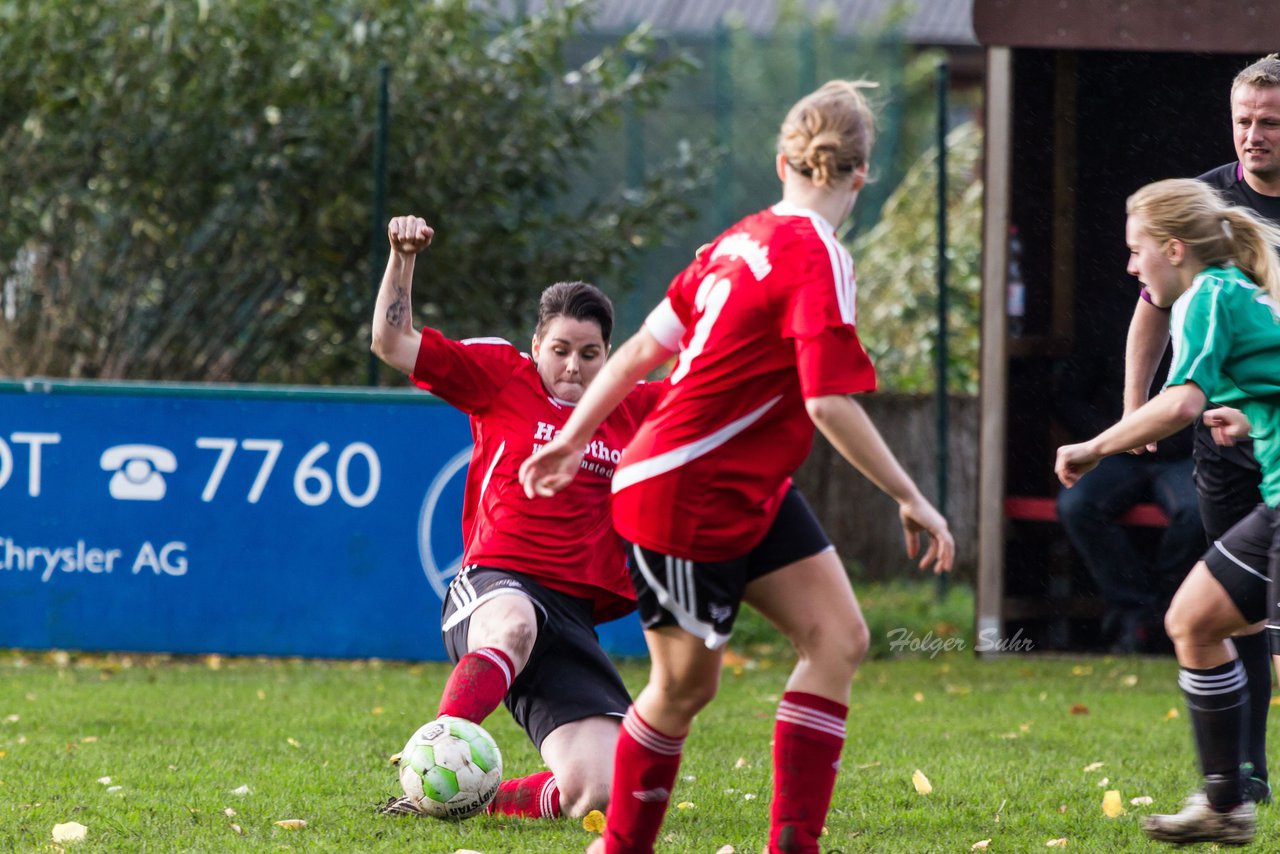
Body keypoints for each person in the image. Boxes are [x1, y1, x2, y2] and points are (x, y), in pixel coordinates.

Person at [519, 80, 955, 854]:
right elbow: (828, 404)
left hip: (744, 487)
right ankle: (618, 847)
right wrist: (913, 494)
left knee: (839, 637)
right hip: (681, 495)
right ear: (862, 174)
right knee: (686, 689)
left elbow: (636, 355)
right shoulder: (820, 256)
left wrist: (569, 436)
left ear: (781, 158)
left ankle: (793, 843)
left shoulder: (737, 239)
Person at [369, 215, 665, 820]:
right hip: (493, 586)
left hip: (573, 614)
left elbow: (718, 390)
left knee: (605, 789)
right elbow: (391, 344)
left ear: (611, 355)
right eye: (560, 350)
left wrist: (723, 297)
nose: (573, 366)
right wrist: (402, 257)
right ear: (536, 348)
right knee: (513, 622)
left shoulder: (633, 409)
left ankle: (465, 798)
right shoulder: (503, 375)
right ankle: (438, 752)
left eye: (590, 354)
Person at [1056, 177, 1280, 845]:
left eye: (1136, 251)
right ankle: (1225, 805)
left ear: (1174, 249)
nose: (1132, 266)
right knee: (1192, 620)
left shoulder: (1209, 295)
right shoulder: (1237, 291)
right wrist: (1256, 417)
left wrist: (1096, 445)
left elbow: (1180, 403)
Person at [1122, 53, 1280, 802]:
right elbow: (1151, 308)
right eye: (1244, 121)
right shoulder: (1206, 203)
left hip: (1269, 435)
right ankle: (1245, 776)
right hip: (1227, 452)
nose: (1255, 135)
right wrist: (1133, 410)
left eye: (1270, 122)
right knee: (1233, 615)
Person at [1052, 333, 1203, 653]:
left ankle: (1167, 609)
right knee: (1076, 505)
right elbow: (1067, 399)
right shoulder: (1109, 325)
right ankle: (1135, 609)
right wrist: (1115, 435)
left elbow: (1191, 403)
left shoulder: (1203, 314)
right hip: (1118, 455)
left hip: (1184, 455)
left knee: (1196, 512)